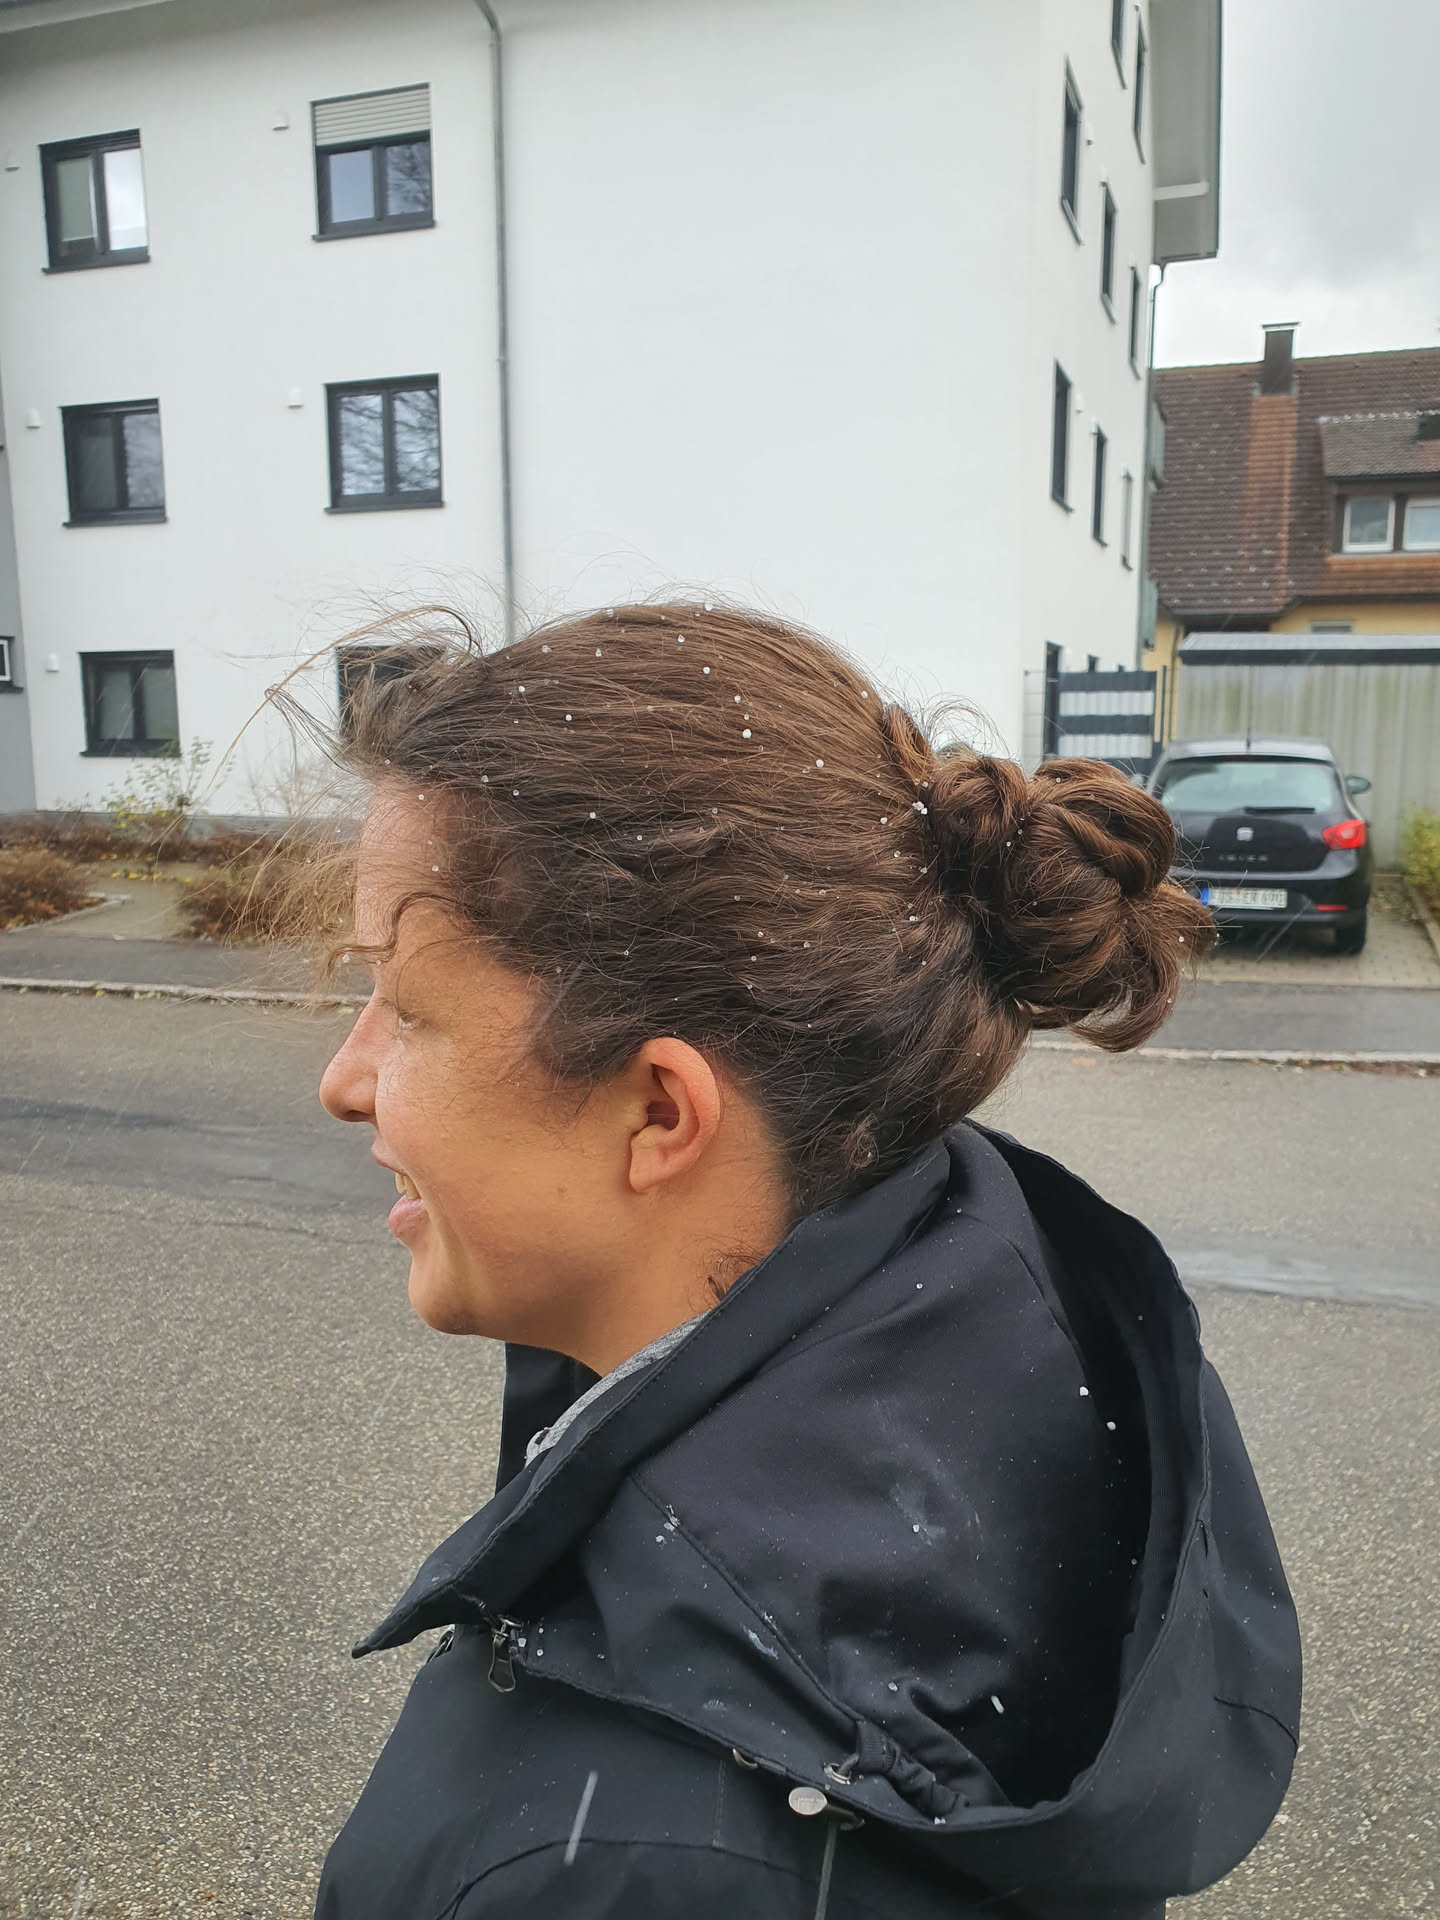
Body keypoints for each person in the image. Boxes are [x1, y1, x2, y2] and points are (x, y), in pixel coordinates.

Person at [307, 602, 1300, 1919]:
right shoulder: (970, 1284)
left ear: (659, 1113)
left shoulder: (622, 1870)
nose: (345, 1080)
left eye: (408, 1009)